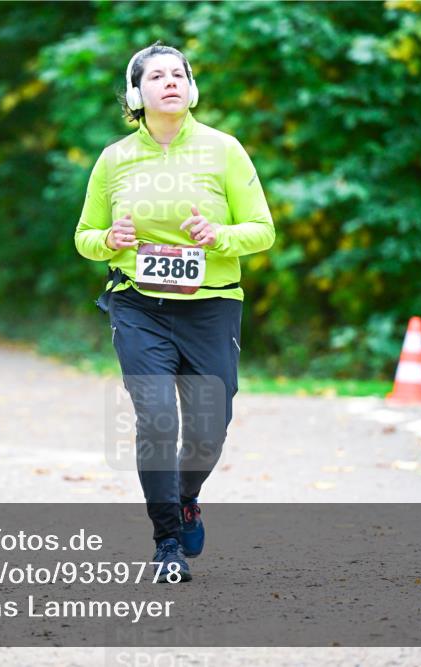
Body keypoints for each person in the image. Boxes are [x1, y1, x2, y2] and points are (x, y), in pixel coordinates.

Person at [75, 43, 275, 582]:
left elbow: (263, 229)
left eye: (178, 74)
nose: (169, 81)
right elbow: (85, 237)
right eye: (156, 76)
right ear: (136, 94)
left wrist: (219, 236)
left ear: (191, 87)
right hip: (138, 304)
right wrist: (109, 239)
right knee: (157, 420)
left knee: (210, 428)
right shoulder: (115, 159)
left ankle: (187, 495)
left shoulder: (224, 150)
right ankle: (167, 543)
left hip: (211, 306)